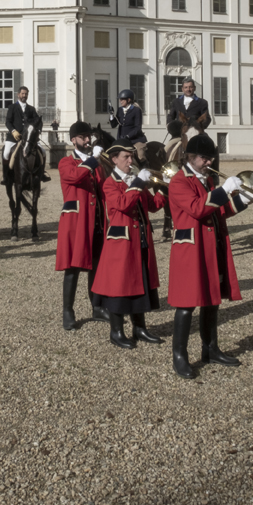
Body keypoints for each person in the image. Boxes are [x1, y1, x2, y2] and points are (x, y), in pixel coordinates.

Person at [166, 133, 253, 379]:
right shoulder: (178, 181)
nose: (209, 162)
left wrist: (244, 200)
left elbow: (218, 212)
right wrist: (224, 191)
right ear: (190, 157)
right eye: (204, 158)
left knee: (212, 299)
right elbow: (197, 208)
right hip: (190, 247)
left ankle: (210, 349)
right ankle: (179, 355)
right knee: (186, 303)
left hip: (210, 243)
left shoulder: (207, 180)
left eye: (210, 158)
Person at [91, 141, 167, 350]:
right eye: (125, 157)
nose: (130, 161)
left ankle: (139, 328)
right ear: (114, 159)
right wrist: (138, 184)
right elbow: (124, 204)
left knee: (140, 283)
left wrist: (164, 188)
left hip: (141, 239)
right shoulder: (110, 183)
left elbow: (153, 206)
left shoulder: (135, 180)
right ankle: (116, 332)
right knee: (119, 287)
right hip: (121, 241)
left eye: (131, 157)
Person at [55, 122, 108, 331]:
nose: (87, 141)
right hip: (76, 221)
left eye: (89, 137)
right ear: (73, 140)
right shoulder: (66, 162)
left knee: (96, 263)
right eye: (83, 137)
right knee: (72, 267)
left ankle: (96, 306)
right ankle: (68, 310)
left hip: (95, 217)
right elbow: (75, 176)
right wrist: (94, 160)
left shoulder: (97, 163)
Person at [2, 86, 51, 184]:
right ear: (18, 94)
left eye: (26, 94)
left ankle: (42, 174)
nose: (24, 96)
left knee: (43, 151)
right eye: (22, 94)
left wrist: (38, 131)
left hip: (29, 138)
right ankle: (6, 176)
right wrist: (13, 131)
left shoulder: (31, 109)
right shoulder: (12, 107)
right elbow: (8, 122)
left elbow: (39, 122)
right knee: (6, 153)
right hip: (14, 137)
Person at [166, 78, 210, 158]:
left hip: (197, 133)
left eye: (190, 87)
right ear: (182, 89)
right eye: (186, 87)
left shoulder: (202, 102)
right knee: (166, 149)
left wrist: (199, 128)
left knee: (213, 147)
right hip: (179, 134)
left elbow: (207, 118)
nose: (188, 89)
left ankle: (213, 168)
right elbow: (171, 116)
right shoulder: (176, 102)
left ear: (194, 88)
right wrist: (171, 126)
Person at [108, 88, 148, 163]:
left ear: (128, 100)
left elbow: (137, 128)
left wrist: (128, 136)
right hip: (122, 140)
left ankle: (144, 169)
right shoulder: (120, 110)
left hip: (135, 140)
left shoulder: (136, 110)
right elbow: (113, 125)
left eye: (122, 99)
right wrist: (111, 114)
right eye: (120, 99)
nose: (120, 101)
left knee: (140, 155)